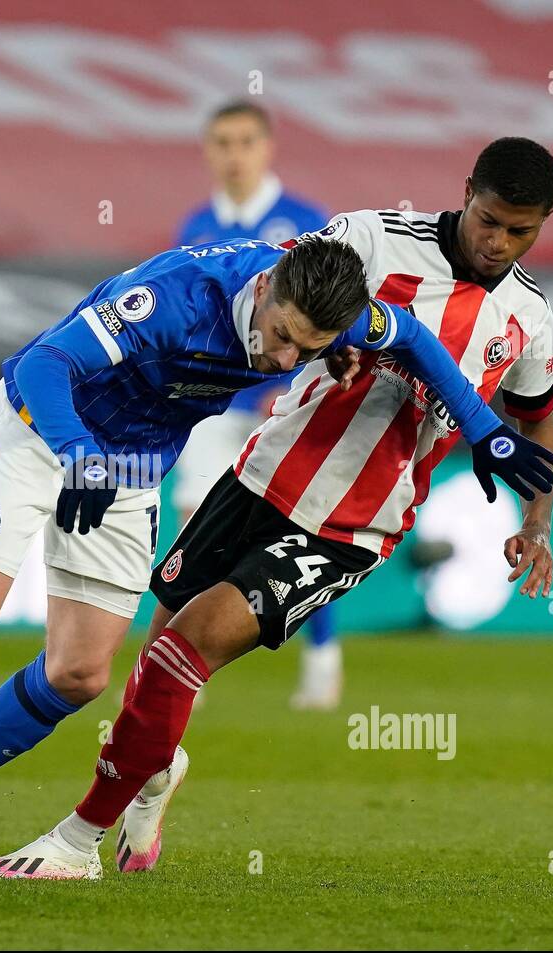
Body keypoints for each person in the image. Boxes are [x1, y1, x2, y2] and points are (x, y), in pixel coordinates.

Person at [0, 203, 552, 878]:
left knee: (80, 673)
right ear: (265, 287)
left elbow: (408, 339)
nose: (283, 354)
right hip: (43, 432)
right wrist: (78, 454)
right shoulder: (178, 296)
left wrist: (486, 429)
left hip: (130, 468)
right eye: (282, 333)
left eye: (308, 348)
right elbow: (45, 364)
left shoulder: (335, 316)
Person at [0, 137, 553, 880]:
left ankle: (73, 842)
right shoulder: (369, 237)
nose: (500, 241)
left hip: (355, 525)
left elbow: (537, 421)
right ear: (467, 192)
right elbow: (280, 287)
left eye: (523, 230)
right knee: (153, 668)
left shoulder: (531, 319)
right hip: (257, 475)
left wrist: (536, 519)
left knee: (181, 651)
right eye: (491, 220)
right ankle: (154, 773)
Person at [173, 100, 343, 710]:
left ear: (267, 148)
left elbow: (332, 315)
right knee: (198, 531)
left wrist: (295, 374)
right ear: (207, 150)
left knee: (290, 534)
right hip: (214, 407)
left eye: (246, 141)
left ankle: (322, 659)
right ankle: (180, 668)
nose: (234, 154)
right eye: (222, 142)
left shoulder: (305, 220)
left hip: (281, 400)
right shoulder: (195, 226)